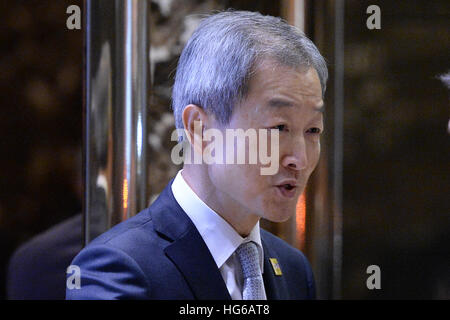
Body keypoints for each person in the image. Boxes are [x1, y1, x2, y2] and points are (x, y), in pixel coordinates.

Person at [66, 10, 328, 300]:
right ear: (201, 129)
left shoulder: (293, 269)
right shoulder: (119, 270)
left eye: (313, 130)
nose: (300, 160)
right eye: (279, 127)